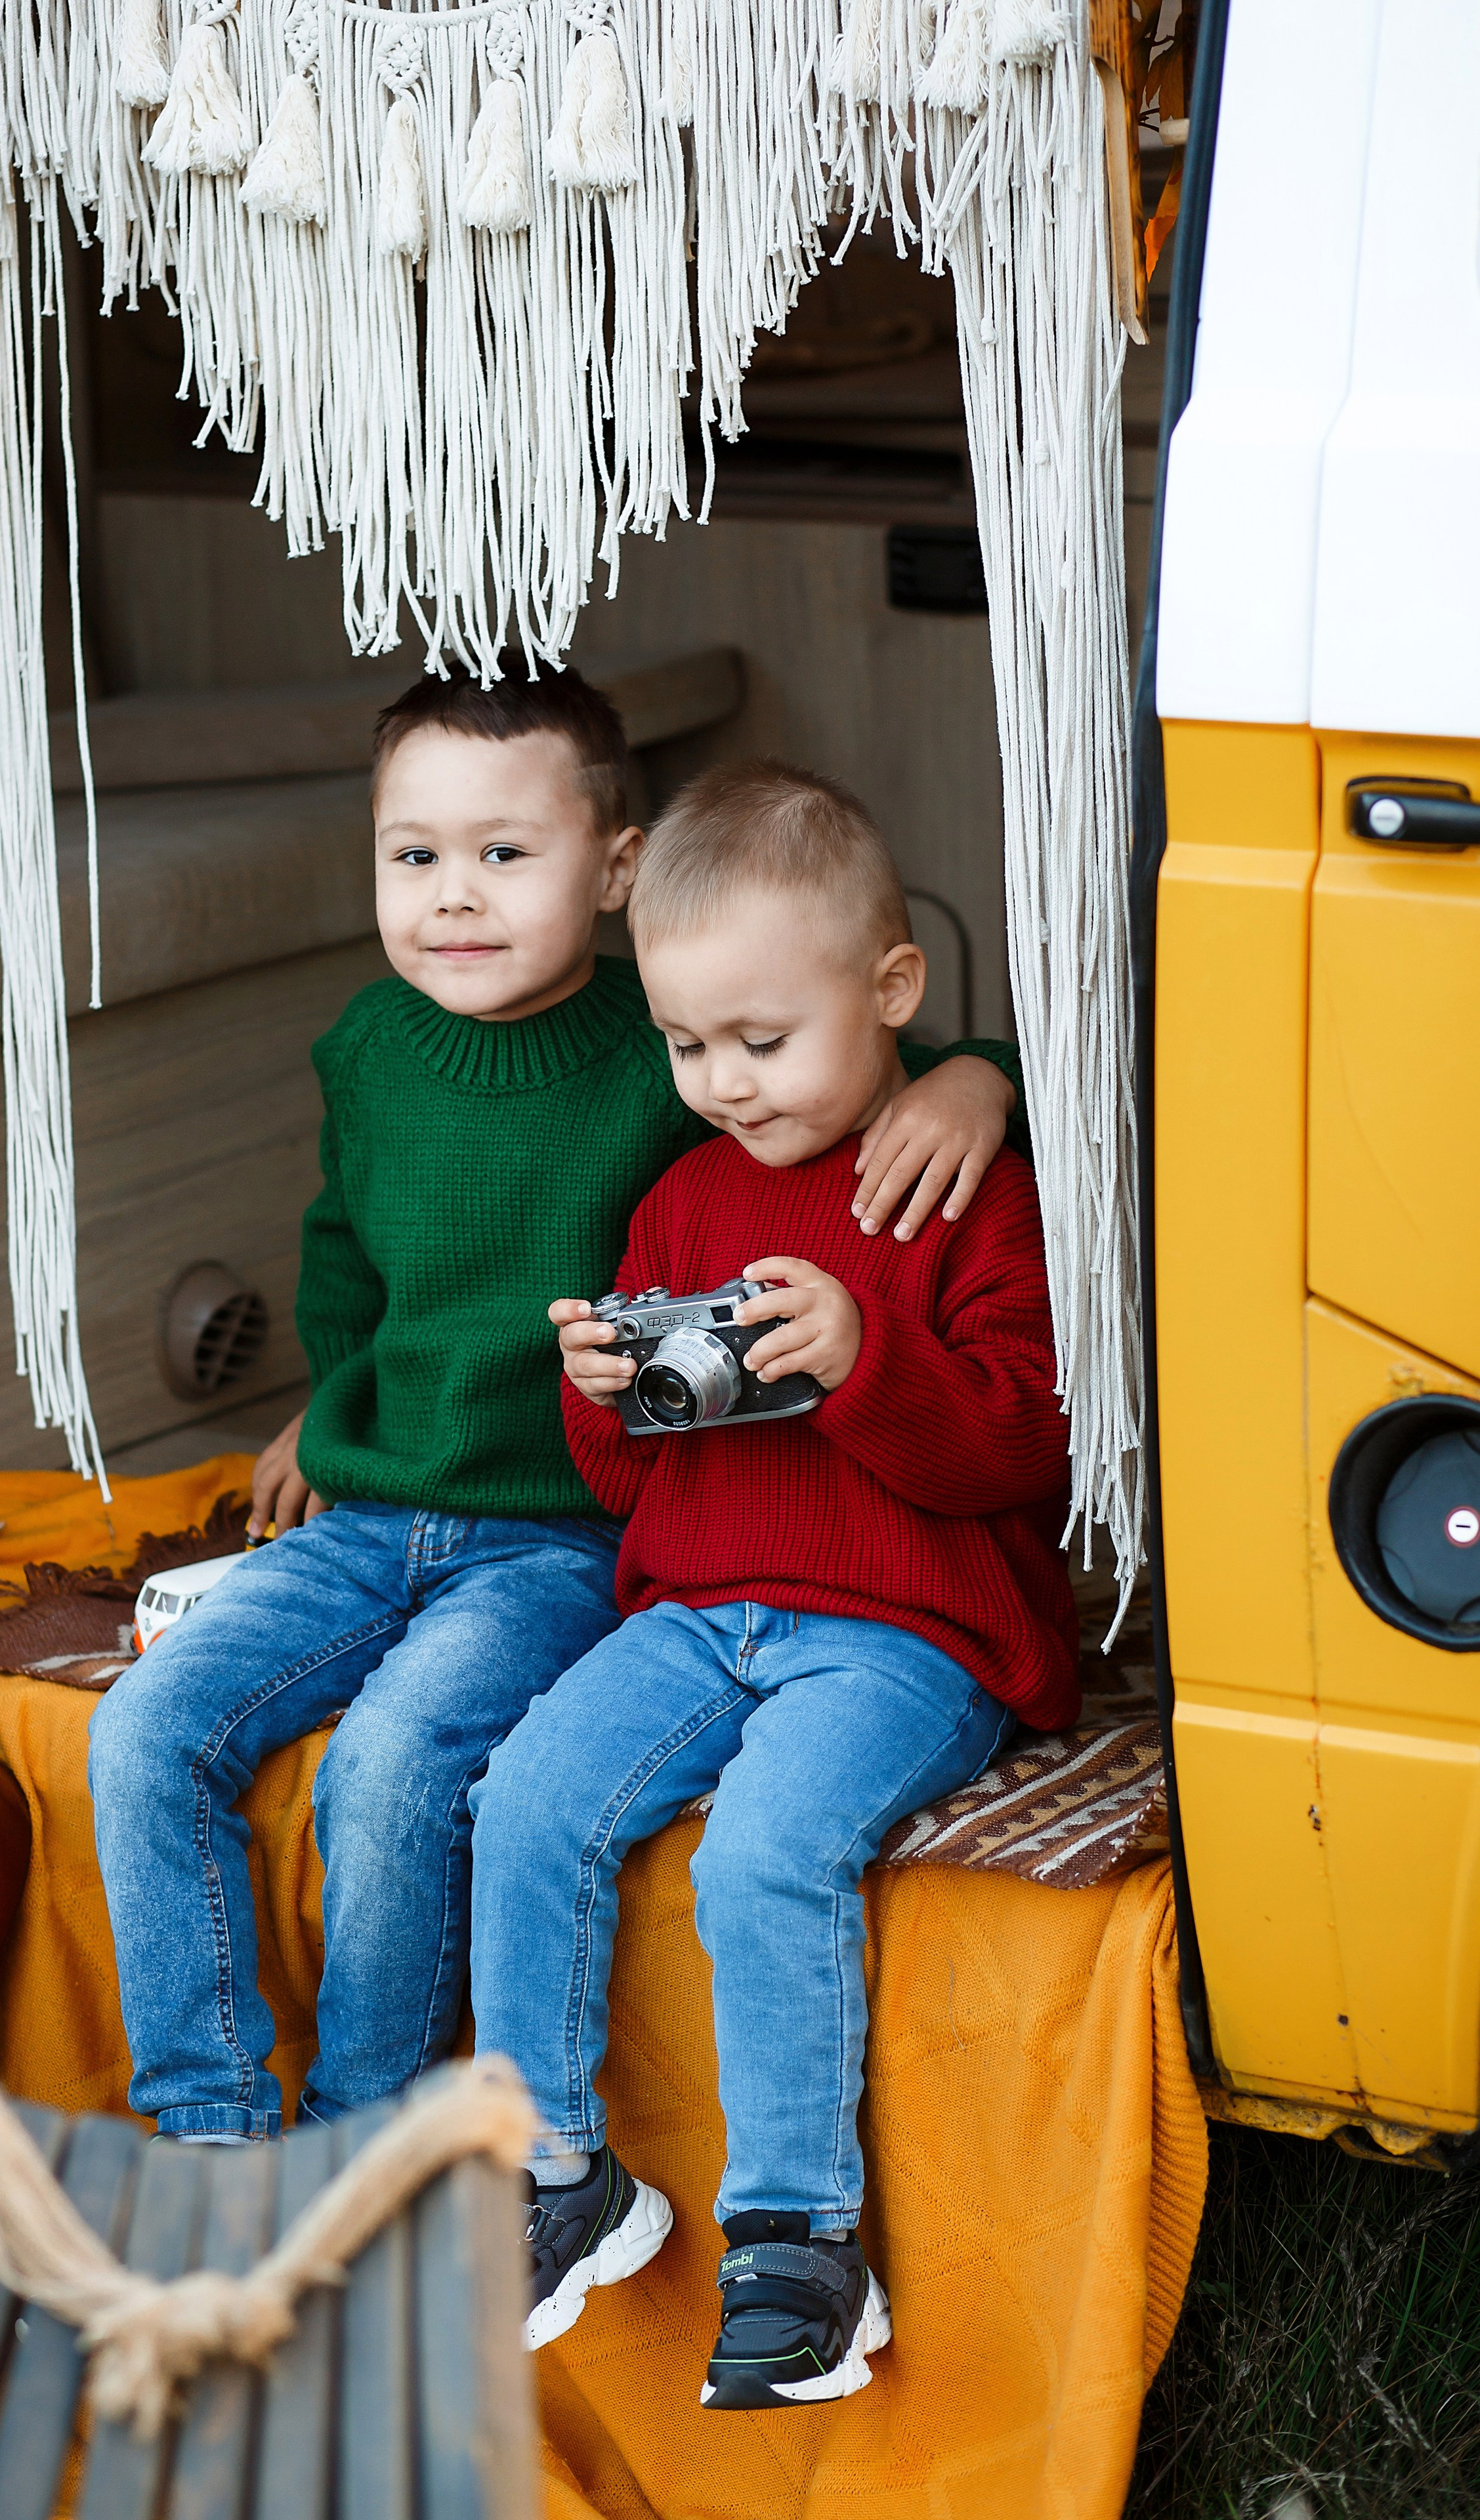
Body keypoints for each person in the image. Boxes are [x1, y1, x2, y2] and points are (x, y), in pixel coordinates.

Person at [89, 669, 1026, 2142]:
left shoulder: (676, 1055)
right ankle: (208, 2127)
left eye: (504, 852)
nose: (454, 895)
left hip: (559, 1527)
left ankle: (368, 2133)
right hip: (376, 1503)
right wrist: (326, 1406)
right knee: (143, 1728)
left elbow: (848, 1035)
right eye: (414, 855)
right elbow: (346, 1258)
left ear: (616, 870)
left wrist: (973, 1078)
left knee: (395, 1758)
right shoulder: (370, 1049)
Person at [466, 760, 1077, 2408]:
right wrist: (603, 1397)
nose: (723, 1083)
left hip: (904, 1630)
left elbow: (1023, 1446)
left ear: (892, 990)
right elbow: (640, 1487)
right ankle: (555, 2176)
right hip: (698, 1610)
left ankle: (798, 2238)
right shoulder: (682, 1201)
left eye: (760, 1039)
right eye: (686, 1046)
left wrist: (867, 1356)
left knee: (765, 1849)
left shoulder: (963, 1187)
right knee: (525, 1798)